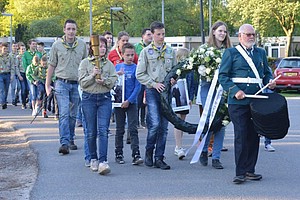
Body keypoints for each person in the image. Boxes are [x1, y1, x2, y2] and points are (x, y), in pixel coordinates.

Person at [218, 24, 276, 184]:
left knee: (254, 135)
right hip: (237, 101)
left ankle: (250, 170)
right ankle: (240, 172)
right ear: (240, 35)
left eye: (253, 35)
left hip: (256, 100)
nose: (251, 37)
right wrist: (234, 90)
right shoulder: (231, 53)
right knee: (241, 134)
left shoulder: (261, 53)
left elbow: (266, 74)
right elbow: (222, 76)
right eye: (248, 34)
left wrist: (269, 82)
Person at [136, 21, 177, 170]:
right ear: (152, 34)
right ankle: (149, 151)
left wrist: (174, 79)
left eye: (163, 34)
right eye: (158, 34)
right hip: (153, 90)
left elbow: (175, 70)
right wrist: (153, 84)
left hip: (166, 91)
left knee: (164, 127)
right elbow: (140, 74)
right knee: (155, 124)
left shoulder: (170, 51)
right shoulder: (146, 52)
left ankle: (159, 157)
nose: (161, 37)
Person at [45, 19, 87, 155]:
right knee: (63, 113)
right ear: (64, 30)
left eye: (73, 29)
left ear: (76, 30)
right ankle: (64, 142)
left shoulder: (81, 45)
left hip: (76, 83)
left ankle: (71, 139)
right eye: (68, 29)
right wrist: (47, 84)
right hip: (61, 83)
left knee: (73, 114)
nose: (71, 32)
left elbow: (86, 64)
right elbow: (51, 65)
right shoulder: (57, 46)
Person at [78, 36, 117, 175]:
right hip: (89, 98)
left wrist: (105, 81)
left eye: (103, 46)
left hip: (104, 98)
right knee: (91, 131)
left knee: (103, 130)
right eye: (98, 46)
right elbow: (82, 83)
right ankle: (93, 157)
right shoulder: (85, 63)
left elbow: (114, 80)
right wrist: (92, 75)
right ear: (92, 48)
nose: (101, 49)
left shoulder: (109, 64)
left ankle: (103, 161)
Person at [199, 21, 232, 170]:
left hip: (223, 89)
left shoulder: (229, 51)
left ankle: (216, 157)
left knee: (221, 122)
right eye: (220, 31)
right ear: (213, 32)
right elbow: (195, 66)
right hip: (208, 87)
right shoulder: (204, 49)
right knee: (209, 119)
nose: (222, 34)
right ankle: (204, 150)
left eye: (224, 32)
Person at [114, 43, 143, 165]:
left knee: (133, 128)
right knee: (119, 129)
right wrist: (117, 75)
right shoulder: (117, 67)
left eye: (132, 55)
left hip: (131, 103)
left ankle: (136, 154)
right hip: (119, 103)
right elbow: (112, 82)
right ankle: (118, 153)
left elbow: (138, 87)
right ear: (122, 54)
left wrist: (129, 100)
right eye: (127, 55)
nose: (130, 57)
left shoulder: (136, 68)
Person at [172, 48, 193, 160]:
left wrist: (190, 97)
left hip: (186, 98)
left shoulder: (190, 70)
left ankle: (178, 145)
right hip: (177, 97)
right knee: (178, 121)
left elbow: (192, 84)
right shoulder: (176, 69)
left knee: (182, 121)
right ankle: (178, 146)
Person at [135, 28, 153, 128]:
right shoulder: (137, 47)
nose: (150, 37)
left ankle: (143, 119)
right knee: (139, 98)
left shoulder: (153, 47)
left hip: (150, 77)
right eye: (148, 35)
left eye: (151, 35)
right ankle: (137, 119)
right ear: (143, 36)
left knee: (146, 101)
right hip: (140, 76)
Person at [0, 43, 14, 109]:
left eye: (6, 49)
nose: (5, 50)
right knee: (2, 89)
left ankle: (4, 100)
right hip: (1, 74)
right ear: (1, 48)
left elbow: (12, 66)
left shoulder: (10, 57)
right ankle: (3, 102)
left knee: (6, 89)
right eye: (4, 49)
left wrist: (12, 75)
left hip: (7, 74)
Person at [15, 43, 28, 109]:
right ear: (19, 50)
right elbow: (16, 67)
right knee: (23, 89)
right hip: (21, 74)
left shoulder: (27, 56)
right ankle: (23, 103)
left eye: (24, 49)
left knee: (28, 89)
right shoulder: (18, 57)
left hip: (27, 74)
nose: (23, 50)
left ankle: (26, 99)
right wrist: (19, 75)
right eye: (22, 49)